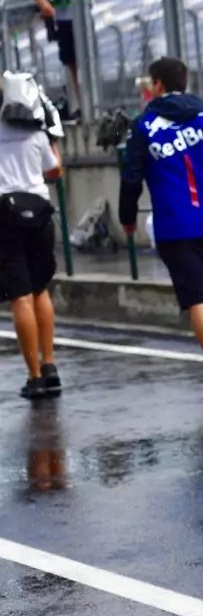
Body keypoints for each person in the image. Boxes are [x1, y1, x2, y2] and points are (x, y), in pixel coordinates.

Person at [119, 57, 203, 405]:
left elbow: (131, 175)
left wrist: (128, 215)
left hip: (174, 223)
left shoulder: (146, 125)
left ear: (158, 85)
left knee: (196, 299)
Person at [0, 74, 63, 400]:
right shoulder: (35, 129)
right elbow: (55, 170)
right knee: (41, 290)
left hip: (5, 214)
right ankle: (50, 365)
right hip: (39, 211)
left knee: (20, 296)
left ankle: (34, 376)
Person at [24, 0, 90, 121]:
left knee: (84, 62)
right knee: (71, 63)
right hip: (62, 16)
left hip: (79, 13)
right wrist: (43, 3)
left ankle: (89, 105)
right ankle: (82, 106)